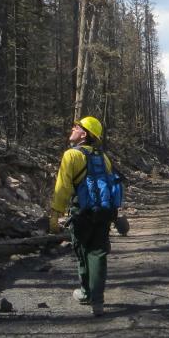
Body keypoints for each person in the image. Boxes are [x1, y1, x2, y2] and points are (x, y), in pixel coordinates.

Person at [49, 116, 115, 317]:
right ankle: (98, 301)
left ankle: (86, 292)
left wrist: (55, 214)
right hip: (103, 213)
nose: (73, 128)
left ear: (84, 134)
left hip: (82, 212)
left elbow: (63, 187)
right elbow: (110, 187)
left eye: (76, 127)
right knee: (98, 254)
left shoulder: (71, 155)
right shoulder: (103, 158)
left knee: (82, 252)